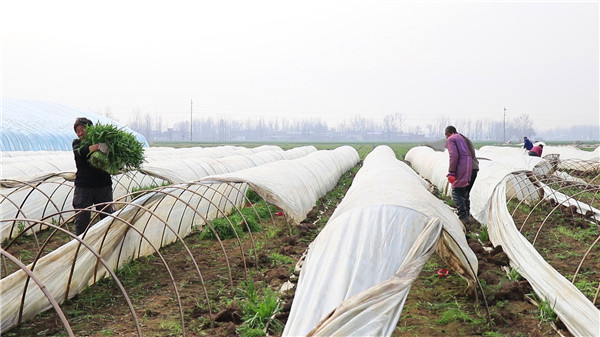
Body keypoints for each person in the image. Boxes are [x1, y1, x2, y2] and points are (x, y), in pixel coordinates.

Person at [72, 117, 114, 235]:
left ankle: (106, 243)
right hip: (84, 187)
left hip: (103, 185)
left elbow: (113, 159)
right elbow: (82, 151)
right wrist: (98, 147)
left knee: (106, 217)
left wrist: (109, 149)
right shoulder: (77, 143)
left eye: (82, 130)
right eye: (77, 131)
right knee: (82, 219)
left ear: (90, 129)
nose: (80, 133)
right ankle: (80, 245)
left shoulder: (102, 140)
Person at [445, 126, 479, 224]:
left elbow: (454, 155)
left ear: (448, 134)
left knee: (456, 191)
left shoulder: (452, 139)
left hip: (465, 168)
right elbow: (472, 152)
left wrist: (452, 171)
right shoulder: (464, 138)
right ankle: (467, 216)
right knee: (465, 193)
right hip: (474, 168)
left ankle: (463, 217)